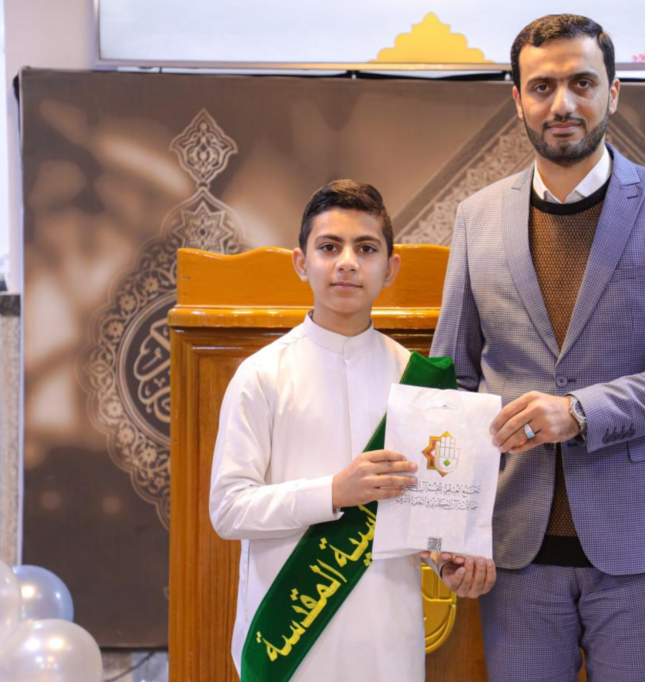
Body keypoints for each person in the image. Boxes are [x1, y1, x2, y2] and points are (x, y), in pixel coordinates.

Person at [431, 14, 645, 681]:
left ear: (613, 92)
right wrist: (451, 525)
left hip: (641, 540)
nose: (562, 103)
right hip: (513, 545)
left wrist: (579, 412)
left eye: (582, 83)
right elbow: (452, 381)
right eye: (542, 87)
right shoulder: (477, 217)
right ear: (517, 99)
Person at [208, 179, 495, 681]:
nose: (347, 262)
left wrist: (446, 561)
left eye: (365, 248)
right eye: (329, 247)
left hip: (388, 638)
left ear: (390, 267)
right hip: (290, 638)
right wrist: (334, 491)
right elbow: (229, 509)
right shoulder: (261, 375)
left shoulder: (417, 381)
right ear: (301, 262)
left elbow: (426, 516)